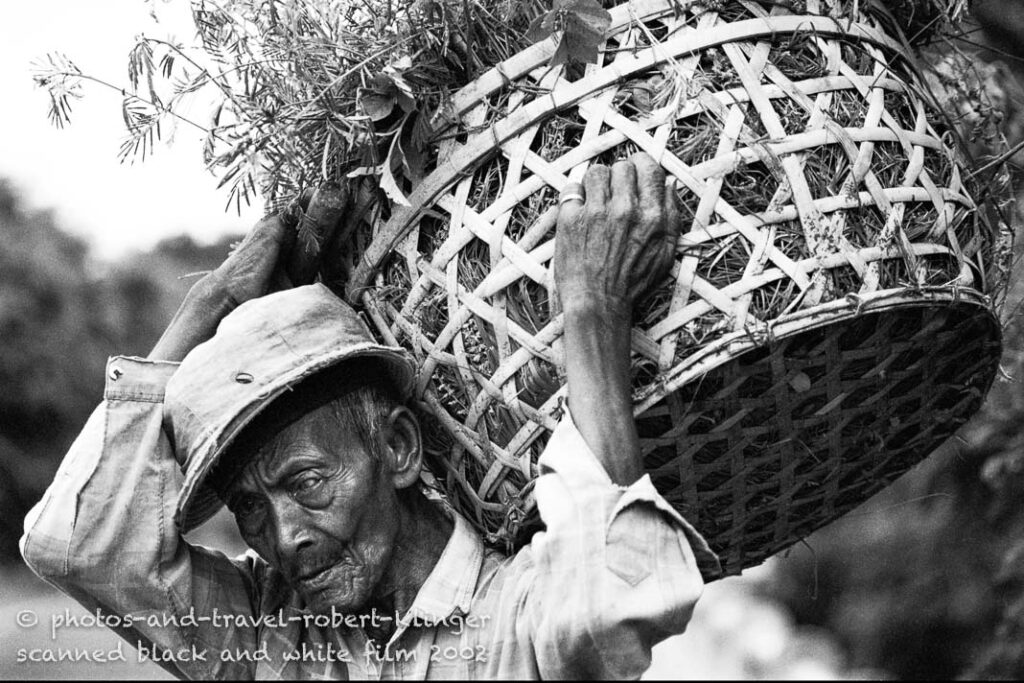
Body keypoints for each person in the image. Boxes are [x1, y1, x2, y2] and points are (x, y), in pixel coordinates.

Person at [20, 153, 720, 679]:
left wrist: (593, 312)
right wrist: (211, 301)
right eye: (250, 508)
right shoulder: (273, 637)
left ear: (399, 448)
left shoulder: (514, 616)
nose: (283, 536)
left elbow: (610, 599)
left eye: (306, 481)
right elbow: (76, 545)